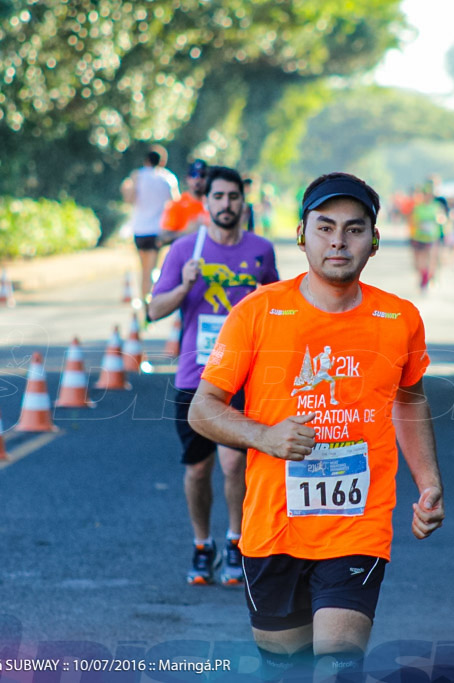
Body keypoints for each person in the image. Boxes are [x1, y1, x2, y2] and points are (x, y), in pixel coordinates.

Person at [188, 172, 445, 681]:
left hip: (357, 525)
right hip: (274, 525)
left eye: (353, 229)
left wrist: (430, 482)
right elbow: (203, 408)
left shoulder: (399, 319)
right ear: (303, 234)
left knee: (338, 663)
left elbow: (409, 398)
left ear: (373, 240)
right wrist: (264, 436)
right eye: (325, 227)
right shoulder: (258, 313)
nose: (338, 241)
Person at [148, 165, 279, 586]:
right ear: (207, 203)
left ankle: (235, 543)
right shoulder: (186, 249)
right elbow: (154, 310)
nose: (227, 204)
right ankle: (202, 544)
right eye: (219, 197)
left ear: (244, 203)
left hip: (245, 378)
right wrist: (185, 287)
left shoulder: (261, 250)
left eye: (234, 197)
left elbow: (278, 308)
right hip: (196, 377)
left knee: (234, 465)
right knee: (198, 470)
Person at [123, 145, 179, 309]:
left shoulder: (137, 175)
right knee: (151, 267)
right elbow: (175, 202)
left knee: (144, 268)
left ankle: (144, 300)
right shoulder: (168, 178)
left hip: (139, 230)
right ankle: (149, 301)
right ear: (161, 162)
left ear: (146, 160)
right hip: (157, 230)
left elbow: (129, 199)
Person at [409, 178, 448, 293]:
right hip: (418, 237)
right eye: (426, 194)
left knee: (431, 259)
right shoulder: (418, 207)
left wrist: (442, 228)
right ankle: (423, 277)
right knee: (418, 262)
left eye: (430, 194)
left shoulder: (437, 206)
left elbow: (442, 220)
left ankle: (427, 280)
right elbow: (413, 221)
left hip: (432, 238)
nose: (428, 196)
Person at [159, 159, 208, 245]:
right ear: (187, 178)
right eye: (193, 175)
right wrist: (186, 232)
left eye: (202, 175)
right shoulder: (177, 204)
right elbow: (163, 238)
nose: (198, 179)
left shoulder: (217, 204)